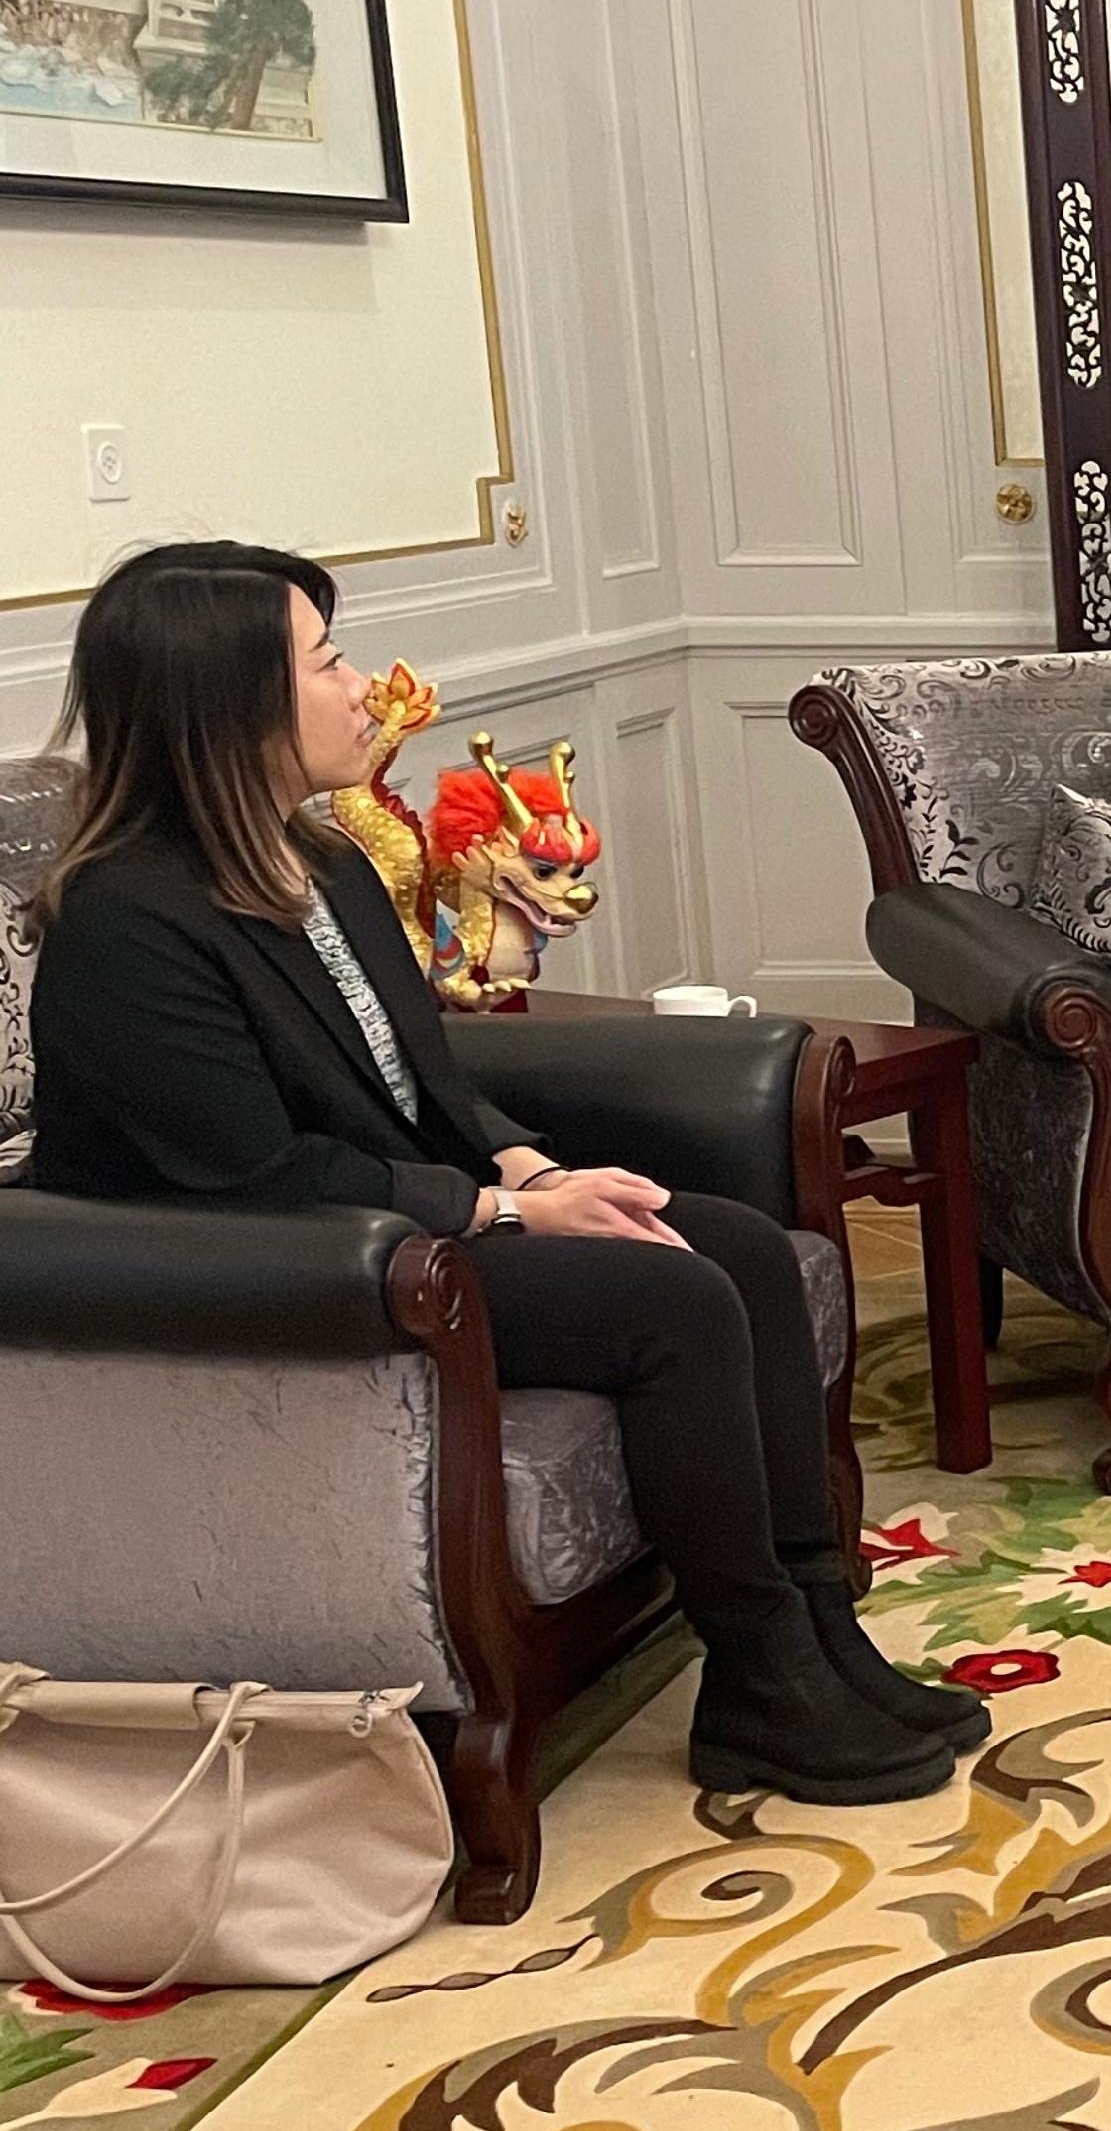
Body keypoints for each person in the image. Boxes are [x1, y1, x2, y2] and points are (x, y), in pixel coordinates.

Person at [28, 544, 979, 1806]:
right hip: (283, 1266)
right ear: (230, 702)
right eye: (326, 662)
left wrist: (539, 1162)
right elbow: (254, 1172)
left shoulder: (321, 859)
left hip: (400, 1209)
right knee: (673, 1300)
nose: (363, 686)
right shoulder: (126, 922)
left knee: (740, 1248)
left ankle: (815, 1623)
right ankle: (755, 1675)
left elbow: (428, 1072)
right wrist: (515, 1211)